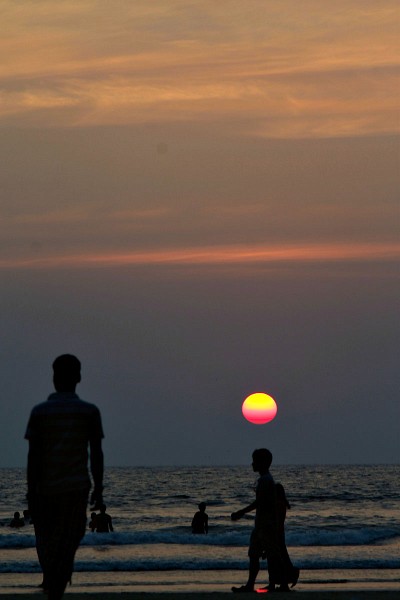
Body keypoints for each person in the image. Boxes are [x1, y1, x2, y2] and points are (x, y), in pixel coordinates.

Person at [25, 354, 104, 600]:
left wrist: (31, 490)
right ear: (78, 378)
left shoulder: (40, 412)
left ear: (54, 378)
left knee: (47, 539)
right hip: (75, 488)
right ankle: (56, 583)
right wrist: (99, 488)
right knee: (70, 538)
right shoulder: (89, 411)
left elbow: (33, 457)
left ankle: (54, 582)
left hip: (46, 488)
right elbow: (96, 454)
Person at [231, 448, 286, 593]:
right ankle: (268, 584)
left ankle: (274, 584)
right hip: (264, 524)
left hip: (265, 525)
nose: (252, 464)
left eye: (255, 461)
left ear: (263, 463)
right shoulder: (266, 479)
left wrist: (240, 512)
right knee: (262, 554)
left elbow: (259, 503)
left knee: (266, 554)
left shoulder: (265, 480)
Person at [274, 482, 300, 590]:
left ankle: (289, 577)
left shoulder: (279, 503)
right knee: (282, 556)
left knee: (281, 557)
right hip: (280, 532)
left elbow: (277, 521)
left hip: (278, 532)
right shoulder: (282, 503)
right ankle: (285, 580)